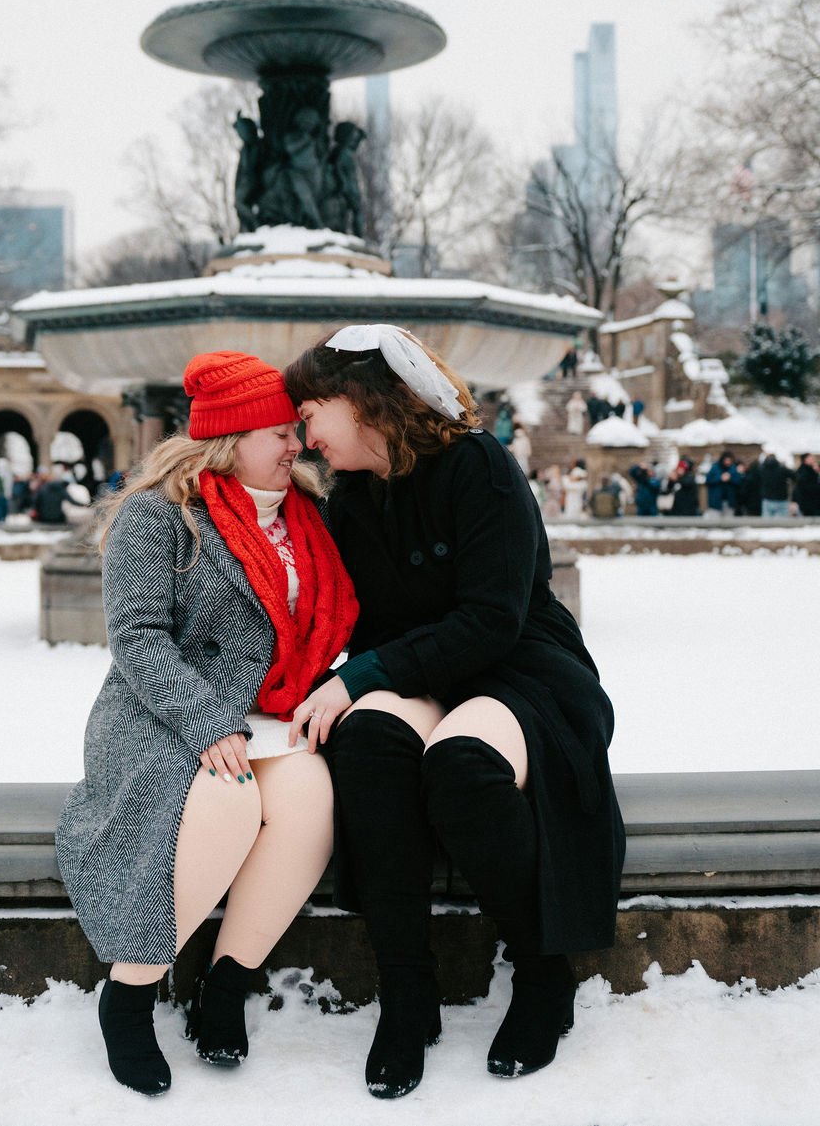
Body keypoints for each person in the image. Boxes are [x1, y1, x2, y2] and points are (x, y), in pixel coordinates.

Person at [283, 326, 624, 1097]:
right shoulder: (352, 499)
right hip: (421, 675)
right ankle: (408, 992)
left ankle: (543, 974)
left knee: (461, 765)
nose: (304, 436)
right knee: (366, 739)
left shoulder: (480, 466)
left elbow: (490, 620)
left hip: (520, 670)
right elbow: (345, 625)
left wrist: (366, 671)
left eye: (310, 413)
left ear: (362, 400)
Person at [56, 351, 357, 1097]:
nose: (297, 445)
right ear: (231, 437)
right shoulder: (157, 513)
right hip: (162, 710)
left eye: (296, 431)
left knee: (310, 800)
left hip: (272, 714)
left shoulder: (306, 517)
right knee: (228, 798)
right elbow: (138, 636)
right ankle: (129, 992)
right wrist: (205, 720)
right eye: (279, 432)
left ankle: (225, 985)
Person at [759, 451, 794, 518]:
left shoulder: (761, 469)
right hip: (781, 500)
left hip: (767, 499)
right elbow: (794, 476)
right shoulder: (782, 469)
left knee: (766, 525)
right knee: (781, 525)